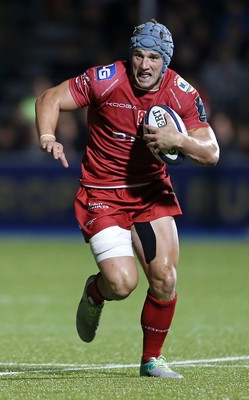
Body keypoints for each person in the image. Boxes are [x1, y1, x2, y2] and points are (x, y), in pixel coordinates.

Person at [35, 19, 219, 378]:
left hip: (150, 193)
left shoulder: (181, 93)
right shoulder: (106, 79)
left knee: (165, 278)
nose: (144, 65)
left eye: (153, 57)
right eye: (138, 55)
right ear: (129, 56)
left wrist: (179, 141)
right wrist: (47, 135)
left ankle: (151, 359)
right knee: (122, 283)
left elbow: (211, 152)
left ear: (165, 62)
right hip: (102, 192)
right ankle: (95, 292)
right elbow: (51, 97)